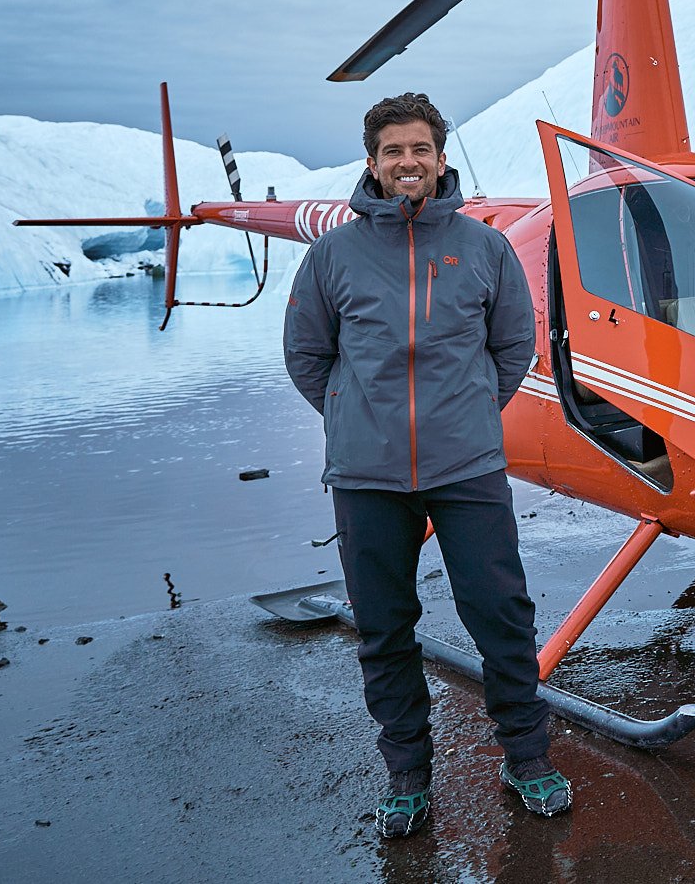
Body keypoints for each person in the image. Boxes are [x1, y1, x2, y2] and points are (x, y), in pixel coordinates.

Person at [283, 91, 571, 838]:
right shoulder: (332, 257)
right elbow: (308, 357)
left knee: (501, 617)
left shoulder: (484, 249)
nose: (406, 162)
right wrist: (357, 418)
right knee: (384, 628)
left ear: (440, 159)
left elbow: (514, 349)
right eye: (392, 151)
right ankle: (408, 775)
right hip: (367, 477)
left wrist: (467, 412)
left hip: (466, 466)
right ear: (372, 165)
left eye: (419, 149)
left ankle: (526, 757)